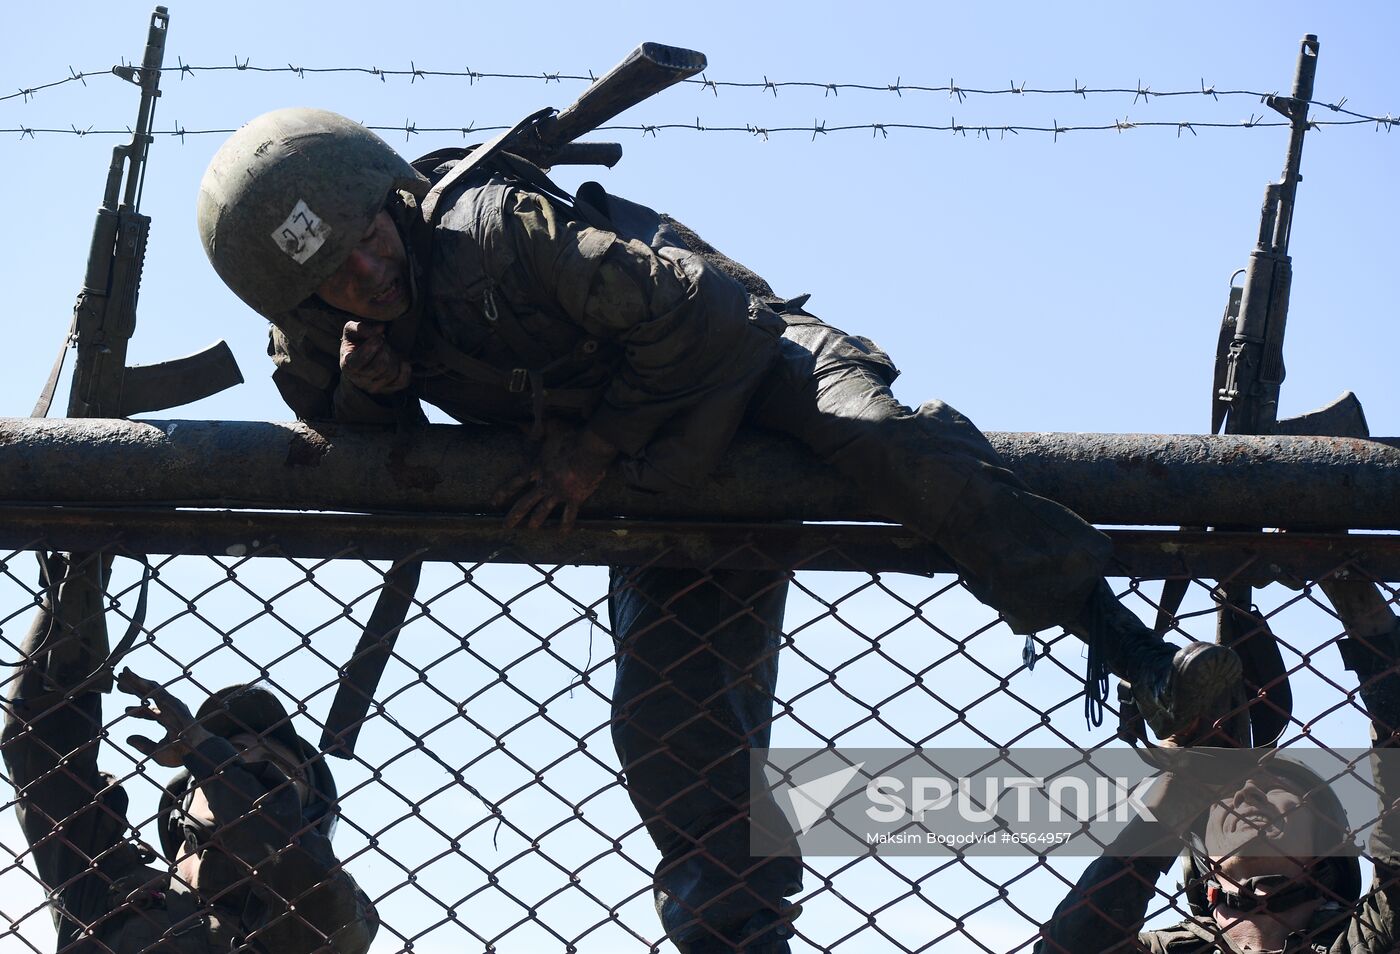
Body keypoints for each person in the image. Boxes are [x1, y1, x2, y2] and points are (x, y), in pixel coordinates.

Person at [195, 107, 1244, 952]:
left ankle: (1128, 645)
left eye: (370, 239)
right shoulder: (322, 342)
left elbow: (710, 314)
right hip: (661, 479)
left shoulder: (494, 231)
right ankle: (735, 937)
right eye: (333, 274)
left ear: (390, 196)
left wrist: (594, 447)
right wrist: (370, 395)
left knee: (881, 439)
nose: (366, 276)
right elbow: (363, 467)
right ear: (293, 294)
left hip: (736, 369)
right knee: (668, 721)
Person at [1, 551, 378, 953]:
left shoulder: (327, 913)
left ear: (311, 815)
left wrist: (205, 750)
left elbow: (300, 870)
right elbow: (42, 754)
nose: (245, 759)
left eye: (275, 771)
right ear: (185, 799)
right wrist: (78, 585)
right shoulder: (108, 889)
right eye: (232, 752)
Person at [1037, 577, 1400, 952]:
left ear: (1325, 847)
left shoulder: (1367, 941)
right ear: (1204, 861)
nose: (1247, 790)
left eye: (1279, 787)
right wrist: (1172, 804)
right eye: (1219, 799)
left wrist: (1351, 592)